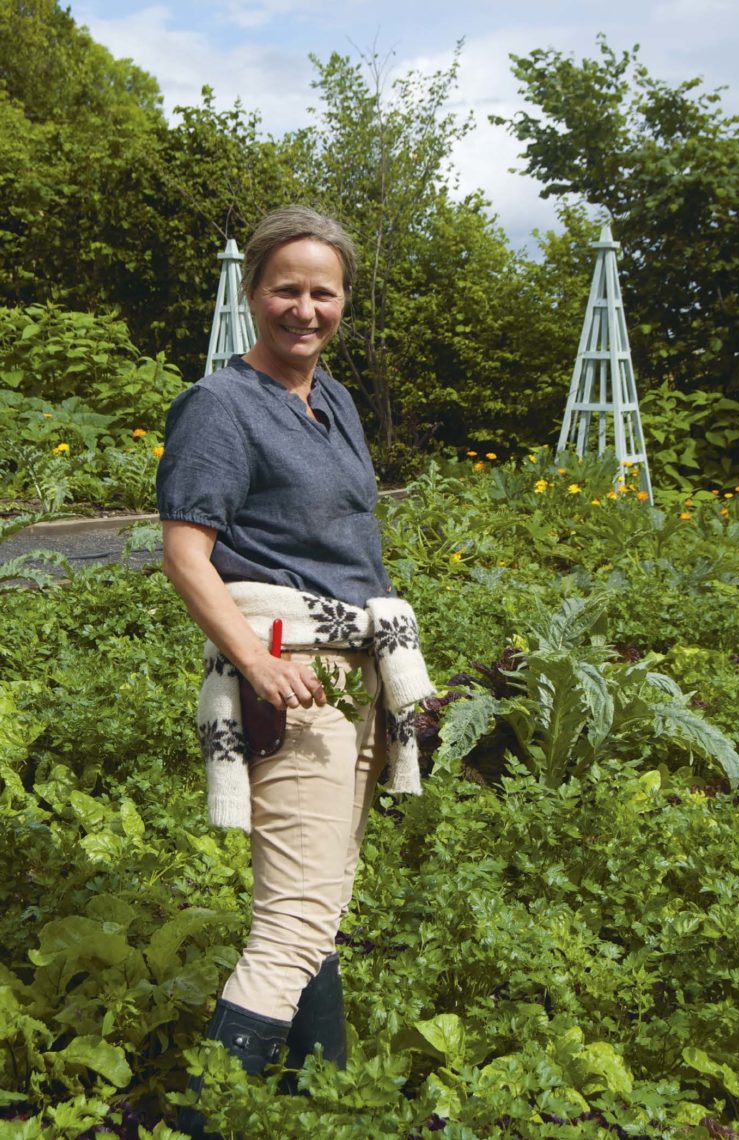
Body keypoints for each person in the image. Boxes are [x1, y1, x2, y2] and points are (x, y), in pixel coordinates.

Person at [156, 206, 432, 1135]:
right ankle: (199, 1122)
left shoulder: (334, 400)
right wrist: (253, 660)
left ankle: (320, 1097)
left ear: (343, 302)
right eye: (286, 288)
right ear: (253, 295)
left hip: (352, 672)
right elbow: (186, 552)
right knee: (293, 923)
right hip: (290, 670)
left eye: (323, 292)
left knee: (316, 895)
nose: (303, 309)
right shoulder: (220, 405)